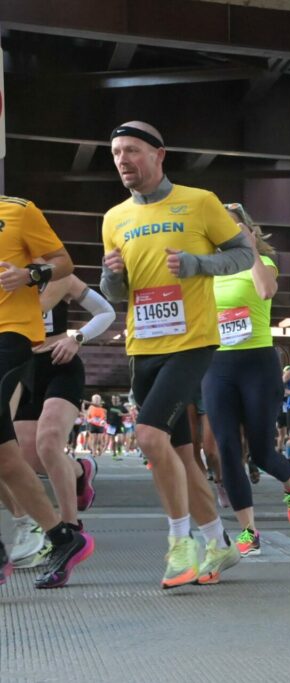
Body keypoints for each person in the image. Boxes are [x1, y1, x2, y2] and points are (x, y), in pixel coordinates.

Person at [101, 121, 250, 587]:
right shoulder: (113, 218)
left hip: (192, 342)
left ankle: (180, 545)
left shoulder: (200, 201)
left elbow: (244, 255)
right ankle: (219, 544)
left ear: (159, 154)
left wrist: (196, 265)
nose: (123, 160)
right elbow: (116, 290)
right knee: (180, 458)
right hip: (142, 345)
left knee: (148, 436)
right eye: (116, 153)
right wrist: (110, 276)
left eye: (132, 151)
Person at [201, 202, 290, 556]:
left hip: (258, 363)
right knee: (226, 448)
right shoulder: (208, 271)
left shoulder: (261, 262)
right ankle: (249, 531)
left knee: (261, 452)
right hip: (218, 365)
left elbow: (265, 291)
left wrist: (249, 249)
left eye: (229, 227)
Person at [0, 193, 93, 589]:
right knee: (6, 457)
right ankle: (63, 538)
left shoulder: (18, 210)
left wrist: (29, 275)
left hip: (13, 333)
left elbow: (63, 262)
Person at [13, 273, 114, 561]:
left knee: (49, 444)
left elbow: (105, 312)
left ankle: (71, 529)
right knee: (26, 457)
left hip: (60, 362)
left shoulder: (58, 276)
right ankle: (81, 470)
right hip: (20, 369)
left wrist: (77, 338)